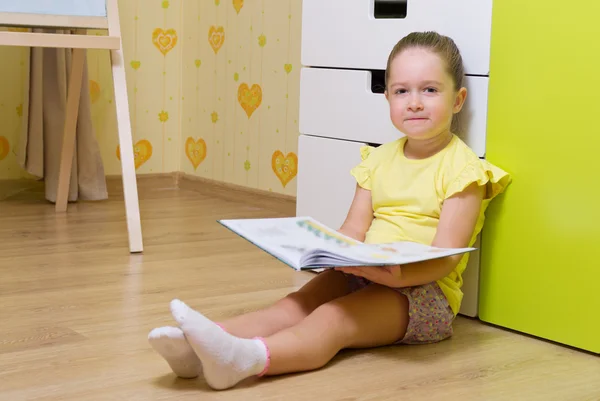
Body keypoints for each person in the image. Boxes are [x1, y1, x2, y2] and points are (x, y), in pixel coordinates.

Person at [147, 31, 512, 391]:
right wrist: (331, 252)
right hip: (370, 271)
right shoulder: (378, 160)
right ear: (387, 97)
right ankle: (195, 348)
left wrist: (393, 278)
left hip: (423, 293)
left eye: (429, 90)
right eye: (402, 91)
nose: (414, 102)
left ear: (458, 99)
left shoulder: (464, 171)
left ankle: (247, 359)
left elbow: (445, 257)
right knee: (295, 304)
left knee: (332, 318)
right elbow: (354, 228)